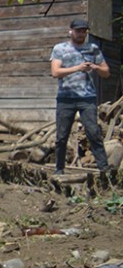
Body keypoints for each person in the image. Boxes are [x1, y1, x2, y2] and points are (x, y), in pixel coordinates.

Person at [51, 16, 111, 178]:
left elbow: (106, 73)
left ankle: (104, 169)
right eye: (78, 31)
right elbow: (55, 72)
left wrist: (95, 67)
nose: (81, 34)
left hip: (87, 97)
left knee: (93, 133)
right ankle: (59, 169)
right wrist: (77, 68)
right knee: (62, 136)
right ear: (71, 31)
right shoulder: (60, 48)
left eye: (84, 31)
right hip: (66, 98)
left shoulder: (93, 49)